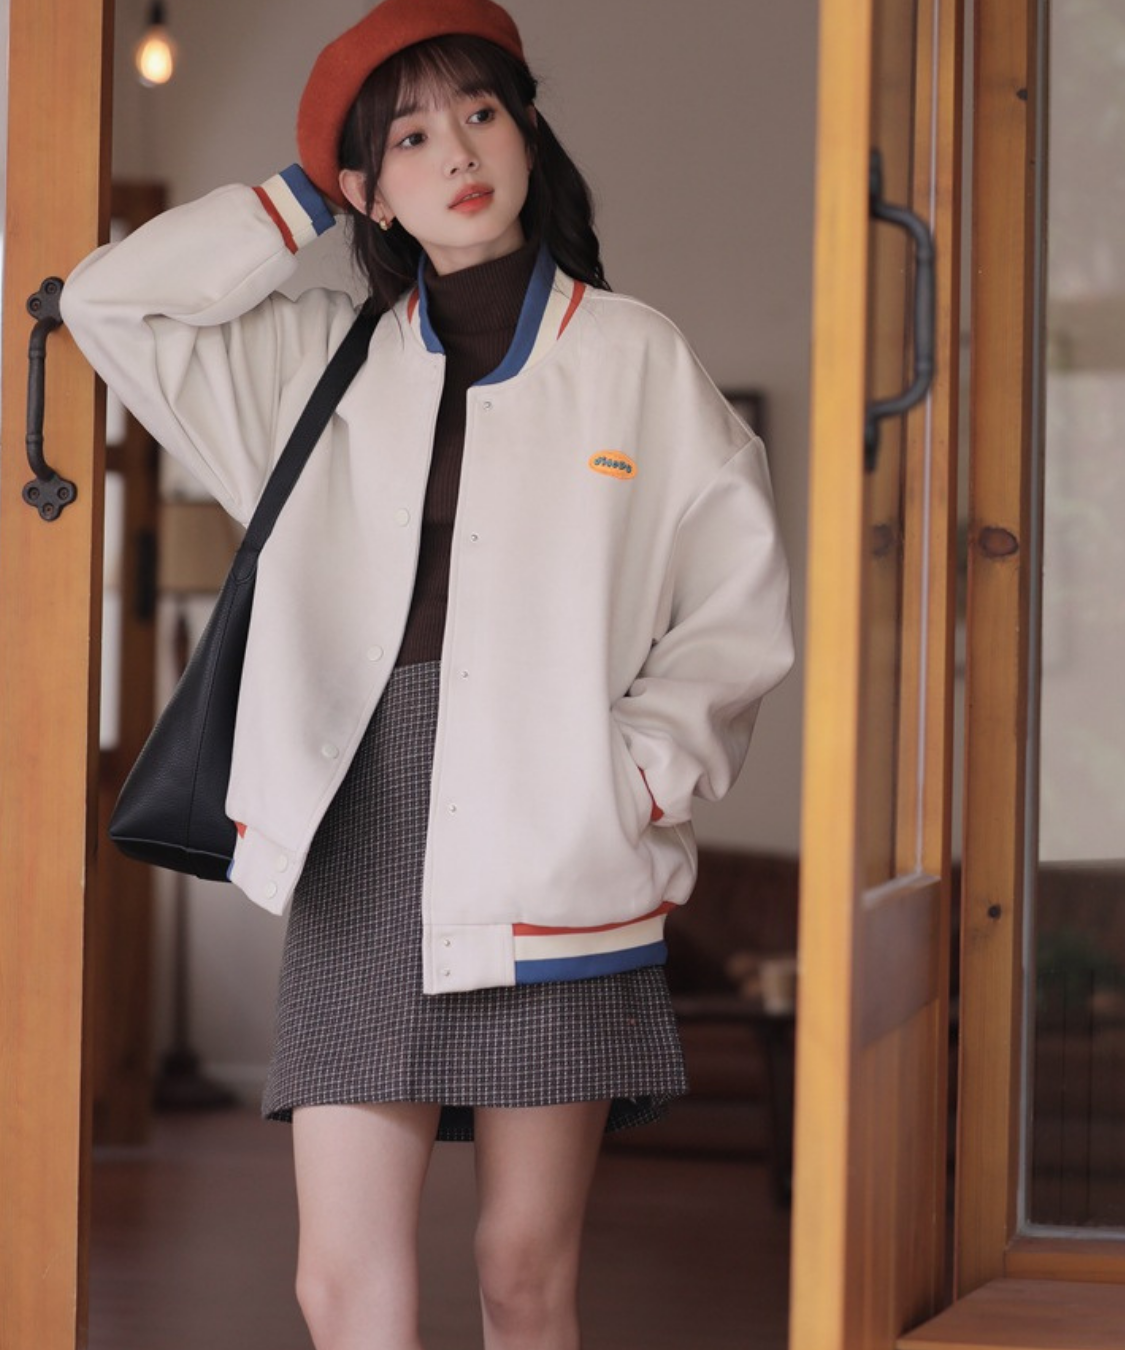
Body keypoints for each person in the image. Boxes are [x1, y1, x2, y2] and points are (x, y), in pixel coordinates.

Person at [62, 1, 794, 1345]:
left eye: (481, 112)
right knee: (338, 1283)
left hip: (558, 844)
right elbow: (108, 302)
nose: (456, 149)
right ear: (368, 187)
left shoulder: (634, 357)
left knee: (523, 1274)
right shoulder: (315, 366)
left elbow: (736, 605)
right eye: (407, 136)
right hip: (359, 835)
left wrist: (636, 774)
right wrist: (302, 192)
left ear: (527, 132)